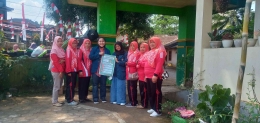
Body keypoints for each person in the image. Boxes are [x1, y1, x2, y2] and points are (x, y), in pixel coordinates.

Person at [145, 37, 166, 117]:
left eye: (153, 42)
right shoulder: (150, 52)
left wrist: (156, 74)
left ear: (157, 42)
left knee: (156, 93)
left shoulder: (160, 51)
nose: (151, 44)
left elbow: (159, 64)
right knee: (150, 93)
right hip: (148, 76)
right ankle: (153, 107)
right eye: (150, 42)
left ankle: (158, 110)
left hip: (155, 76)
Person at [89, 37, 110, 104]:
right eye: (100, 41)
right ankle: (95, 98)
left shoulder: (107, 50)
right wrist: (98, 54)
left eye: (103, 41)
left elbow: (109, 60)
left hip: (104, 70)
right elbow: (90, 57)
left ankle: (103, 97)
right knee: (95, 85)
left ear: (105, 42)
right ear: (98, 42)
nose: (101, 42)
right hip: (95, 70)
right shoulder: (94, 49)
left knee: (103, 84)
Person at [49, 36, 65, 107]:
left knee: (59, 85)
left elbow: (65, 58)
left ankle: (56, 100)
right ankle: (54, 101)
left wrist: (63, 60)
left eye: (61, 41)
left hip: (61, 70)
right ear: (55, 42)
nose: (60, 43)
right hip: (56, 70)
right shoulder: (54, 50)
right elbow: (55, 62)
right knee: (56, 86)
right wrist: (61, 71)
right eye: (58, 41)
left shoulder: (61, 49)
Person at [125, 41, 140, 107]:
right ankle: (131, 101)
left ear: (136, 46)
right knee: (129, 87)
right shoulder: (129, 53)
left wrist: (127, 63)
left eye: (133, 45)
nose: (132, 47)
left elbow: (136, 63)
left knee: (132, 87)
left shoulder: (137, 53)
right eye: (131, 45)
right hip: (129, 72)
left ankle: (134, 102)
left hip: (133, 73)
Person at [77, 39, 92, 103]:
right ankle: (81, 98)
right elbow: (79, 60)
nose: (87, 45)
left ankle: (85, 97)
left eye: (89, 43)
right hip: (83, 70)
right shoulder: (81, 50)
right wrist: (80, 70)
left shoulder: (90, 50)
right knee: (82, 84)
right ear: (83, 43)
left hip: (88, 70)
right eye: (86, 43)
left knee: (86, 84)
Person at [65, 38, 79, 106]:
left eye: (76, 43)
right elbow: (68, 61)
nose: (75, 44)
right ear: (70, 43)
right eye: (73, 43)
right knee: (70, 85)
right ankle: (70, 100)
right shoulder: (69, 50)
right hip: (70, 71)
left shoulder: (75, 50)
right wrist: (68, 71)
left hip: (74, 70)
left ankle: (69, 98)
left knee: (72, 85)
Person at [136, 43, 149, 109]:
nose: (142, 48)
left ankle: (144, 104)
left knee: (144, 91)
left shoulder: (147, 55)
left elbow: (147, 65)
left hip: (144, 76)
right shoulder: (141, 55)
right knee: (142, 90)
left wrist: (140, 63)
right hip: (140, 76)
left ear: (146, 48)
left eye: (144, 47)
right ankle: (143, 103)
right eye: (141, 47)